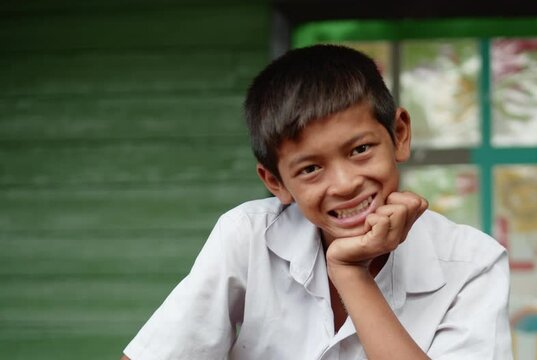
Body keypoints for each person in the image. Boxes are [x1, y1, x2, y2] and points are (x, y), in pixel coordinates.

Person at [121, 44, 512, 360]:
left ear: (399, 133)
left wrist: (350, 271)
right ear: (275, 181)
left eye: (360, 149)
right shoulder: (249, 236)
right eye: (310, 169)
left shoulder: (472, 263)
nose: (344, 184)